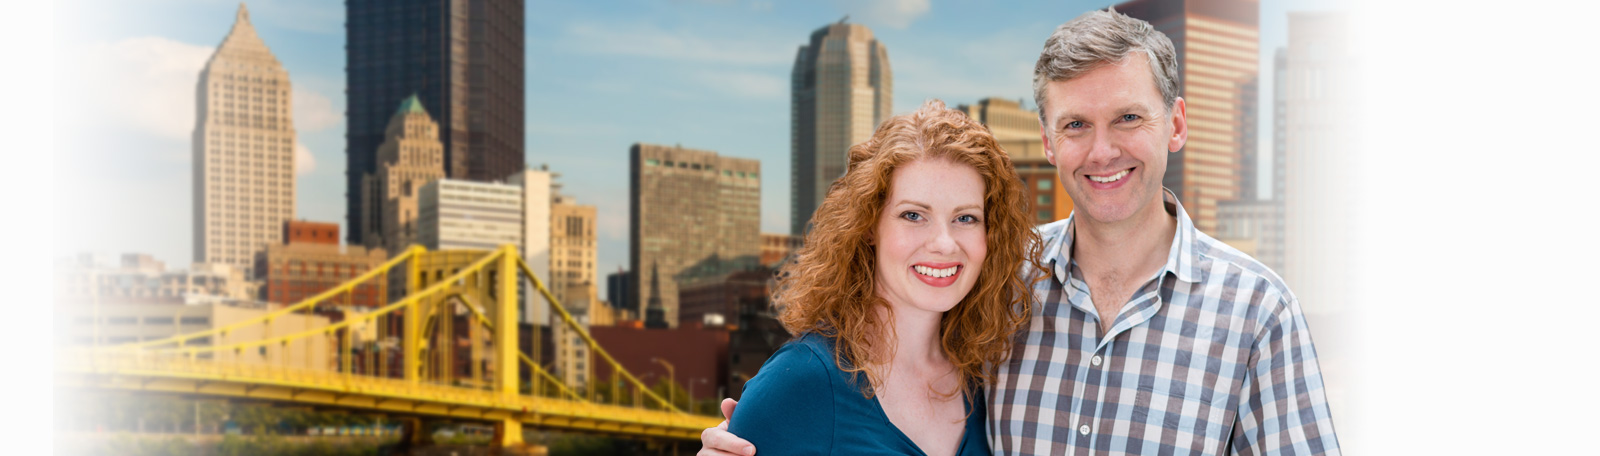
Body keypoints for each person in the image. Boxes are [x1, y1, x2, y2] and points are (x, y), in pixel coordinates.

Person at [702, 8, 1340, 456]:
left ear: (1174, 124)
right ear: (1047, 140)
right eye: (1075, 126)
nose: (1102, 150)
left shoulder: (1257, 312)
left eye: (1127, 118)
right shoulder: (1003, 291)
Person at [722, 99, 1042, 456]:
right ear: (869, 225)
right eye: (913, 215)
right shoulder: (800, 382)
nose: (943, 244)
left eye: (965, 218)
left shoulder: (986, 382)